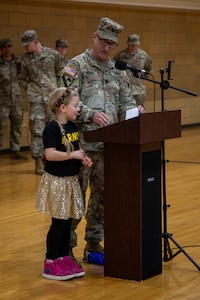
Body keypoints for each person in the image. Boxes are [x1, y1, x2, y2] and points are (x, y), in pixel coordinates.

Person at [59, 17, 145, 264]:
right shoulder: (76, 66)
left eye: (112, 44)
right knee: (76, 198)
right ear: (94, 36)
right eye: (104, 41)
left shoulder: (118, 69)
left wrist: (133, 111)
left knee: (102, 199)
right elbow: (64, 101)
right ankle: (66, 249)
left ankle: (94, 244)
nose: (107, 48)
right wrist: (90, 113)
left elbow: (125, 99)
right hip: (80, 144)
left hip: (109, 147)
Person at [35, 87, 93, 280]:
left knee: (68, 223)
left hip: (70, 181)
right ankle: (50, 263)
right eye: (75, 106)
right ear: (62, 108)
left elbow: (76, 148)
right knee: (58, 223)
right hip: (58, 183)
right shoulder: (51, 129)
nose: (78, 109)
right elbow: (50, 154)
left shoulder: (72, 127)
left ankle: (62, 257)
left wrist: (82, 157)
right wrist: (72, 154)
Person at [18, 30, 64, 175]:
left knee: (54, 129)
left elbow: (61, 73)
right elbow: (21, 78)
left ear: (35, 41)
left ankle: (52, 160)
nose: (25, 48)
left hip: (52, 99)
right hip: (36, 99)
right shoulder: (25, 60)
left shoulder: (53, 55)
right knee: (37, 130)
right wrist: (31, 90)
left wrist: (59, 91)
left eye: (27, 44)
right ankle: (38, 161)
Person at [0, 38, 28, 160]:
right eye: (5, 47)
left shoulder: (18, 63)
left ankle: (15, 150)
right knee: (1, 126)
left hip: (16, 100)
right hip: (2, 101)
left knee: (17, 126)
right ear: (1, 49)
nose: (8, 49)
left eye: (9, 46)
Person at [113, 34, 152, 108]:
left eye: (135, 45)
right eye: (131, 45)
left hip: (139, 90)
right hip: (124, 90)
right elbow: (114, 68)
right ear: (128, 43)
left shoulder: (143, 55)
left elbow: (148, 68)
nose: (133, 47)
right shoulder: (121, 55)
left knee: (140, 113)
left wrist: (142, 78)